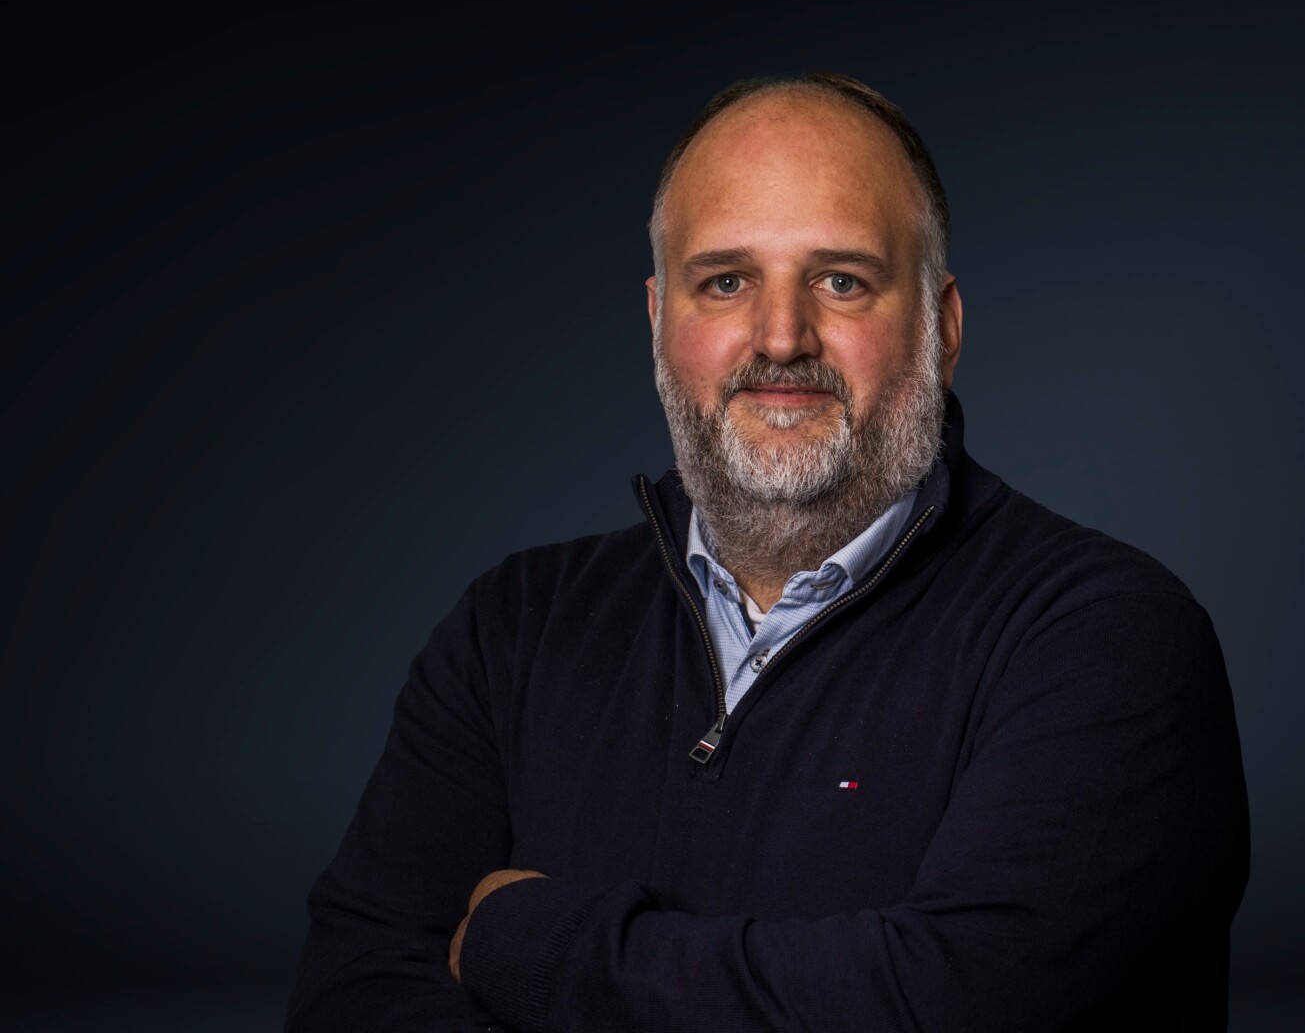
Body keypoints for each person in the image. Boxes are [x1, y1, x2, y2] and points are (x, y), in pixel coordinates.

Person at [285, 72, 1249, 1032]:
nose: (782, 338)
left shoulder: (1103, 639)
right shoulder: (516, 628)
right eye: (726, 281)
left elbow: (954, 1008)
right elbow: (352, 992)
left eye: (842, 281)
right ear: (658, 322)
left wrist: (531, 947)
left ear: (942, 326)